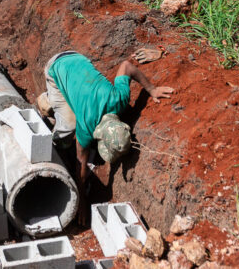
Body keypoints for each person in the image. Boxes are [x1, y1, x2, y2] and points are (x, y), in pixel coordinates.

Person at [38, 49, 174, 224]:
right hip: (56, 68)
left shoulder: (119, 99)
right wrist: (82, 202)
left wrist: (152, 89)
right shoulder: (87, 126)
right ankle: (47, 104)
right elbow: (81, 162)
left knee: (76, 109)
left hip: (79, 58)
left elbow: (126, 67)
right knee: (68, 128)